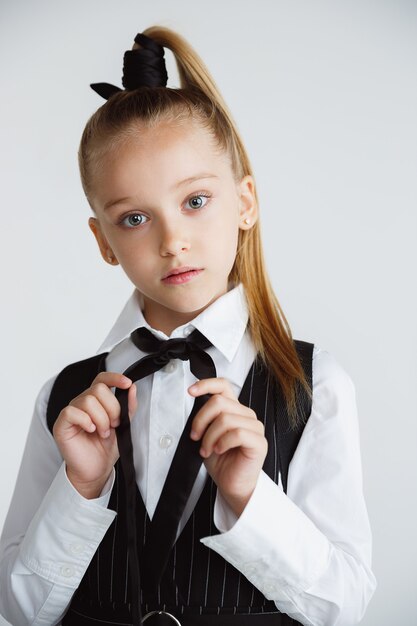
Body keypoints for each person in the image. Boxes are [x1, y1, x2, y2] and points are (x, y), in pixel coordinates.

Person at [0, 26, 376, 626]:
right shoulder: (65, 397)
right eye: (134, 218)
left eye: (195, 201)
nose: (172, 241)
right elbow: (22, 612)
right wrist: (82, 486)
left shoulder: (313, 385)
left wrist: (251, 499)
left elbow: (343, 607)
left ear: (245, 202)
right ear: (102, 241)